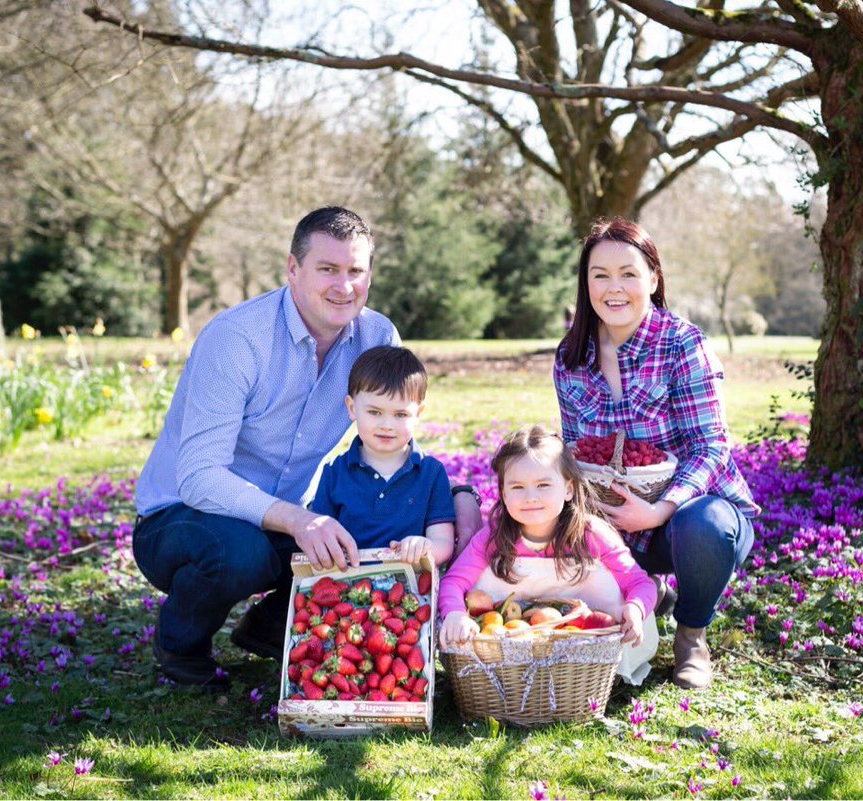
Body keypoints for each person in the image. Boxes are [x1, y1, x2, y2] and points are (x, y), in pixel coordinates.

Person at [132, 206, 481, 687]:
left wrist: (453, 493)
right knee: (242, 551)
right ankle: (180, 644)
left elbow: (393, 443)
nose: (344, 286)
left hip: (286, 515)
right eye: (328, 269)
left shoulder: (377, 337)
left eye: (356, 271)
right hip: (178, 517)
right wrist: (299, 520)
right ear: (293, 269)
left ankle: (271, 626)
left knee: (367, 530)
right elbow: (199, 477)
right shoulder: (236, 340)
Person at [553, 218, 759, 689]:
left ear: (653, 278)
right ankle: (646, 595)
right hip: (612, 522)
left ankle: (691, 635)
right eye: (599, 275)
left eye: (628, 273)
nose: (614, 288)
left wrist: (658, 510)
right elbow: (574, 448)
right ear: (586, 284)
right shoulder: (571, 355)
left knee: (705, 527)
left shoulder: (682, 344)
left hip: (686, 515)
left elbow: (710, 447)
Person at [438, 425, 658, 685]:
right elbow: (454, 581)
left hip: (583, 640)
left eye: (543, 484)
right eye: (517, 487)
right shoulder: (493, 538)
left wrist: (635, 607)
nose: (531, 497)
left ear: (568, 489)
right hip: (510, 643)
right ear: (503, 493)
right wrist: (454, 613)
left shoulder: (591, 534)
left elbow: (639, 583)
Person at [310, 345, 456, 565]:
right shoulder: (334, 473)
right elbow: (321, 538)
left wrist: (425, 547)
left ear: (418, 414)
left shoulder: (431, 472)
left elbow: (443, 541)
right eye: (374, 412)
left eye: (400, 414)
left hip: (411, 589)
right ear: (352, 408)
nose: (387, 425)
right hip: (346, 589)